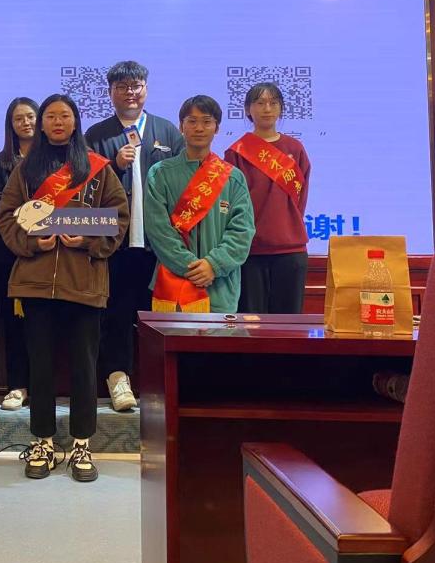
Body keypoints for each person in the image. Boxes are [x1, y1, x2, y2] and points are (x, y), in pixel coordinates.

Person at [0, 94, 129, 482]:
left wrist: (88, 241)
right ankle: (43, 441)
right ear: (41, 123)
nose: (57, 122)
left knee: (84, 366)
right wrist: (31, 244)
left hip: (83, 282)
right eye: (51, 116)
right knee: (40, 366)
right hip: (36, 282)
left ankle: (81, 444)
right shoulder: (26, 169)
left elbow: (119, 217)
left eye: (65, 116)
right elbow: (7, 217)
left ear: (75, 122)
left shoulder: (97, 167)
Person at [85, 61, 184, 412]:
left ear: (146, 88)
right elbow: (83, 188)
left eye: (136, 85)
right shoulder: (96, 135)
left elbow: (184, 183)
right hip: (115, 243)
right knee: (116, 314)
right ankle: (118, 379)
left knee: (158, 318)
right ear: (110, 92)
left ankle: (159, 385)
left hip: (161, 245)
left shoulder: (167, 131)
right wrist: (114, 165)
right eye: (122, 86)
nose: (130, 92)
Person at [145, 95, 255, 315]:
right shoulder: (160, 174)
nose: (199, 128)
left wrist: (213, 265)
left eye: (206, 121)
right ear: (181, 126)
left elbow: (242, 231)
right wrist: (191, 267)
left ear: (217, 128)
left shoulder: (233, 178)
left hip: (219, 286)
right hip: (173, 284)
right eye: (192, 121)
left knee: (218, 338)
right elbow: (158, 230)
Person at [225, 83, 311, 314]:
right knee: (252, 325)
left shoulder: (295, 148)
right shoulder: (236, 152)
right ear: (248, 109)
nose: (267, 109)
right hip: (250, 252)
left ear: (281, 108)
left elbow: (300, 199)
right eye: (260, 103)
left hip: (291, 250)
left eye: (273, 103)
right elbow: (233, 204)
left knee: (289, 326)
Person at [0, 97, 38, 410]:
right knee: (14, 323)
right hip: (11, 253)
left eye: (30, 116)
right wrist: (26, 218)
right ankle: (18, 384)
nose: (26, 123)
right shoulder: (2, 161)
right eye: (19, 118)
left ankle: (44, 386)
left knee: (44, 324)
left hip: (48, 254)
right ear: (11, 125)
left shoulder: (53, 159)